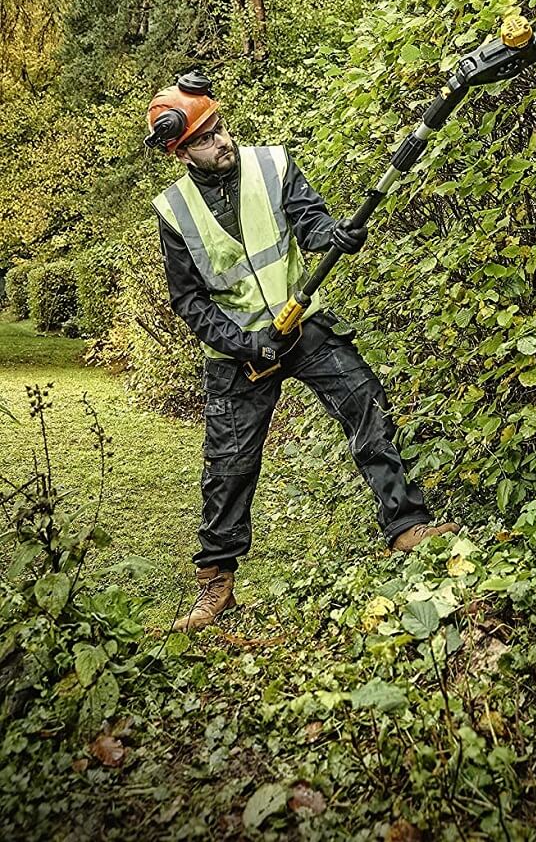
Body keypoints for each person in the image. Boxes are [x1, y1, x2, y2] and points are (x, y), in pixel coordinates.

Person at [146, 73, 459, 633]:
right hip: (237, 352)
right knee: (229, 464)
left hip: (301, 326)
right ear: (181, 150)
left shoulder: (271, 165)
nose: (223, 141)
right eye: (207, 137)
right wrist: (246, 344)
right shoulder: (174, 210)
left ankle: (407, 524)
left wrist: (333, 234)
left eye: (221, 127)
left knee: (364, 400)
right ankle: (217, 582)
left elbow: (309, 221)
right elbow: (189, 301)